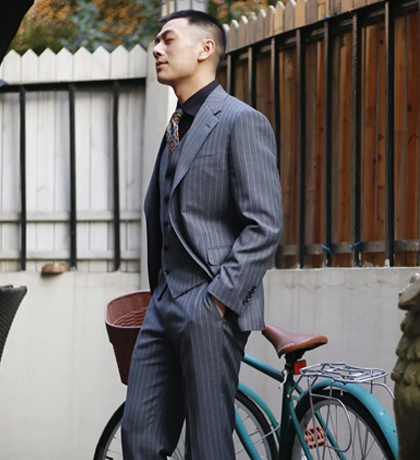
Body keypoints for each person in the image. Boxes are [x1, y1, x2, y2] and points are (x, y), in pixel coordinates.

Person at [121, 9, 283, 460]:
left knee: (208, 447)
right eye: (156, 41)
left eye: (167, 39)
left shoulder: (241, 121)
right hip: (163, 304)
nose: (156, 49)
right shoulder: (176, 125)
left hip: (209, 305)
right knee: (138, 437)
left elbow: (264, 223)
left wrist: (217, 301)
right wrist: (161, 293)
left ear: (204, 49)